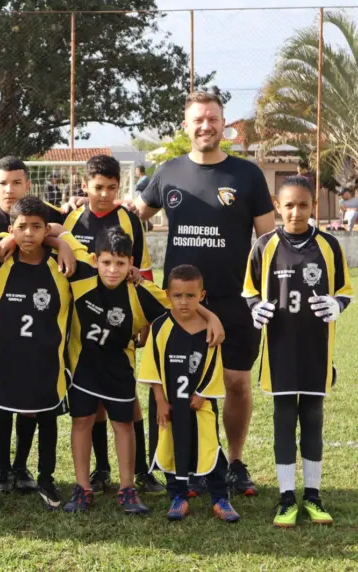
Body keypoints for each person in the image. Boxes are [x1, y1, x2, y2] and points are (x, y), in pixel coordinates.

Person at [133, 90, 276, 496]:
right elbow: (133, 219)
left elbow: (268, 240)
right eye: (198, 119)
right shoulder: (168, 172)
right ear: (186, 126)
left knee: (235, 382)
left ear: (223, 124)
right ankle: (179, 464)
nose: (206, 126)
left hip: (235, 299)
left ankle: (233, 462)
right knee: (175, 382)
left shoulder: (246, 176)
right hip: (178, 303)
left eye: (213, 118)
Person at [64, 229, 223, 515]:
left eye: (120, 264)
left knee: (123, 426)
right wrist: (58, 244)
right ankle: (82, 487)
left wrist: (212, 318)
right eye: (107, 263)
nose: (113, 270)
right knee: (82, 422)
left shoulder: (139, 292)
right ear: (95, 260)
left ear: (131, 264)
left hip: (119, 370)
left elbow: (181, 303)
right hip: (83, 370)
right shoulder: (82, 276)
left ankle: (127, 488)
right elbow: (57, 230)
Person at [243, 176, 352, 528]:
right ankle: (287, 496)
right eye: (288, 205)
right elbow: (249, 290)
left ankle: (314, 496)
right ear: (277, 206)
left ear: (312, 207)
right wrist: (255, 307)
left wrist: (337, 304)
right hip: (279, 350)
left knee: (314, 419)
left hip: (317, 350)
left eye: (303, 205)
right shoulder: (264, 245)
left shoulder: (330, 245)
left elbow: (345, 290)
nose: (295, 212)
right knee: (283, 420)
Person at [0, 197, 86, 513]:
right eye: (21, 227)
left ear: (45, 229)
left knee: (47, 419)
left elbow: (95, 260)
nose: (28, 234)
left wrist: (60, 241)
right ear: (10, 230)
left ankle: (46, 478)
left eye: (37, 227)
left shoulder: (62, 267)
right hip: (6, 363)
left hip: (48, 364)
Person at [0, 156, 67, 493]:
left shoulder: (43, 214)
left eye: (17, 183)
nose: (10, 190)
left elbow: (62, 228)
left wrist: (58, 239)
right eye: (3, 183)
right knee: (3, 400)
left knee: (32, 403)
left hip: (37, 329)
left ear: (28, 184)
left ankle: (21, 465)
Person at [63, 155, 160, 495]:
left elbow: (143, 270)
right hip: (84, 322)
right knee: (92, 404)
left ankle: (139, 472)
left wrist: (143, 326)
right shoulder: (72, 217)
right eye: (97, 187)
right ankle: (101, 468)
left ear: (119, 187)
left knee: (125, 400)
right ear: (85, 185)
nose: (103, 194)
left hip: (122, 320)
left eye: (111, 188)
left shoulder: (130, 220)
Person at [139, 264, 240, 523]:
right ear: (168, 295)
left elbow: (216, 366)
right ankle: (178, 496)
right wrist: (160, 400)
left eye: (190, 296)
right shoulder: (161, 327)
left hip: (200, 405)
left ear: (202, 296)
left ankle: (220, 498)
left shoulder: (210, 329)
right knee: (174, 449)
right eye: (177, 296)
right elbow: (151, 365)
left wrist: (205, 394)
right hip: (171, 405)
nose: (184, 302)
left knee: (211, 449)